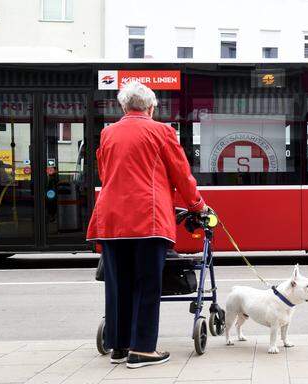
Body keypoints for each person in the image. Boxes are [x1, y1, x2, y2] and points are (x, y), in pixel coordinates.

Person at [86, 81, 207, 368]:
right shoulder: (162, 132)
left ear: (124, 107)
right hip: (147, 220)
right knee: (147, 284)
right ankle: (142, 349)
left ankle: (119, 346)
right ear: (151, 108)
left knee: (118, 284)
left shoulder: (108, 133)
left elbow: (105, 172)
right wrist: (198, 206)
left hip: (112, 219)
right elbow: (181, 174)